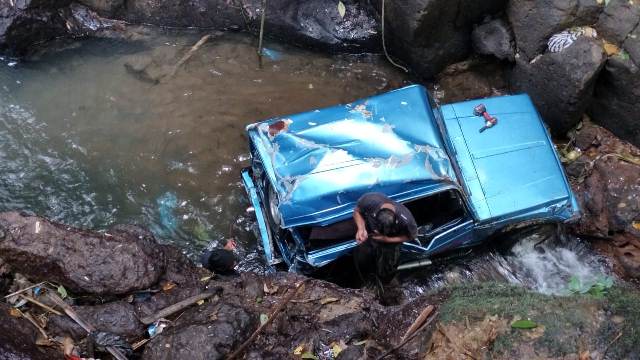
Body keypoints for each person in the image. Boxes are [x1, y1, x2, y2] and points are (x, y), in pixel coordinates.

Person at [352, 192, 417, 290]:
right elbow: (357, 211)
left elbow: (411, 236)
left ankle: (386, 284)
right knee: (363, 257)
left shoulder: (406, 220)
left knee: (388, 266)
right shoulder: (369, 200)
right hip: (371, 236)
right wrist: (361, 228)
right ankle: (369, 279)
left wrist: (387, 239)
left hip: (391, 241)